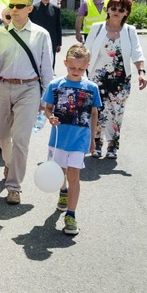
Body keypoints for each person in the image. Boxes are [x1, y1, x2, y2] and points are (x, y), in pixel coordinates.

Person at [0, 0, 54, 205]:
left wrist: (47, 99)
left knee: (21, 139)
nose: (15, 9)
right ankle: (9, 162)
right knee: (1, 134)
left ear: (29, 8)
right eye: (12, 5)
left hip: (29, 88)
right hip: (3, 86)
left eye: (20, 5)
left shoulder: (41, 34)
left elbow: (47, 69)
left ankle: (14, 186)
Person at [42, 44, 102, 235]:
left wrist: (93, 139)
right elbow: (47, 108)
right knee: (61, 173)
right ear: (65, 63)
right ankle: (63, 192)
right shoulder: (55, 85)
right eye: (72, 68)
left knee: (74, 175)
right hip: (59, 139)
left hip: (79, 140)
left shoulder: (91, 88)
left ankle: (71, 214)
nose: (76, 72)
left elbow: (94, 114)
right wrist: (50, 117)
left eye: (81, 69)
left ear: (87, 67)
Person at [84, 0, 147, 159]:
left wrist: (141, 73)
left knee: (116, 112)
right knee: (97, 110)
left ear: (126, 13)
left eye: (121, 9)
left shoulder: (129, 31)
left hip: (121, 79)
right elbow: (86, 51)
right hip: (97, 78)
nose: (116, 12)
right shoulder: (97, 28)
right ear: (107, 9)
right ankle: (97, 143)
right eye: (113, 8)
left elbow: (137, 52)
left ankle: (113, 146)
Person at [30, 0, 63, 68]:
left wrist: (58, 43)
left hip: (52, 39)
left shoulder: (55, 9)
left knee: (50, 60)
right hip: (36, 38)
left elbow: (58, 26)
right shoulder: (33, 8)